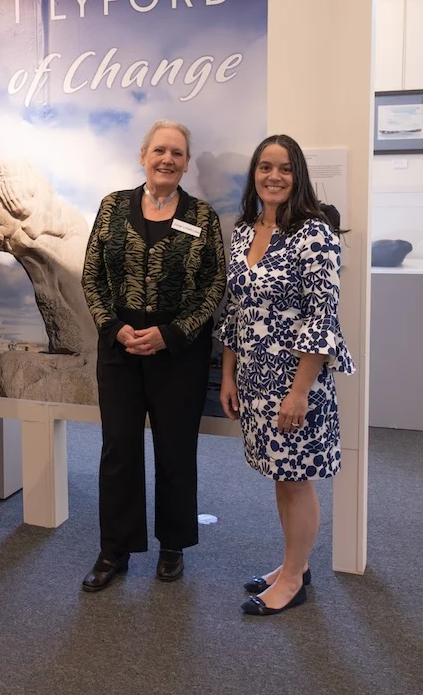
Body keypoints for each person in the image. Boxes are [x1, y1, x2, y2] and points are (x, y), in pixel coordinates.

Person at [80, 120, 227, 593]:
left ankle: (173, 546)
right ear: (143, 155)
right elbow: (91, 277)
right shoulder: (111, 207)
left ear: (186, 163)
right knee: (119, 449)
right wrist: (114, 327)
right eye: (159, 150)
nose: (167, 159)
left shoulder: (203, 216)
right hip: (119, 346)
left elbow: (214, 286)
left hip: (178, 351)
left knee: (176, 449)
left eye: (177, 153)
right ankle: (114, 549)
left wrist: (170, 334)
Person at [216, 133, 355, 617]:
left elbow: (322, 318)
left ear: (299, 176)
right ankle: (292, 562)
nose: (274, 176)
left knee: (295, 478)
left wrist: (299, 393)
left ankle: (294, 577)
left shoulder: (314, 233)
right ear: (254, 174)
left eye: (285, 168)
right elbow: (235, 310)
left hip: (296, 381)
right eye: (265, 167)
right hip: (253, 377)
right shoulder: (243, 230)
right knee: (281, 474)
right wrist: (228, 375)